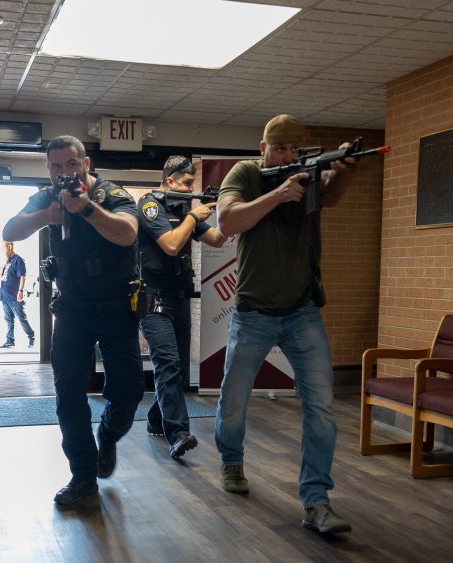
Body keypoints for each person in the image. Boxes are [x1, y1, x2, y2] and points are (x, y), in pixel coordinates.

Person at [214, 114, 359, 534]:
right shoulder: (245, 173)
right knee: (235, 399)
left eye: (294, 149)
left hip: (301, 311)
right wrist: (278, 194)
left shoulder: (306, 174)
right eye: (279, 149)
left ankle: (316, 501)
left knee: (322, 406)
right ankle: (231, 461)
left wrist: (343, 170)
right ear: (263, 148)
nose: (288, 156)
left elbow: (330, 194)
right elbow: (228, 222)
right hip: (253, 312)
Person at [2, 135, 144, 507]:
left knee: (129, 392)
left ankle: (109, 435)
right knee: (69, 396)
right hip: (73, 310)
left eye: (70, 164)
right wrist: (46, 216)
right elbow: (9, 231)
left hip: (116, 308)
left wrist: (85, 210)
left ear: (86, 163)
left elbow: (128, 233)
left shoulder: (112, 194)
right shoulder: (47, 197)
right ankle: (82, 475)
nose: (63, 172)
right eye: (55, 166)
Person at [137, 156, 226, 459]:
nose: (192, 189)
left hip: (179, 297)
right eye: (188, 183)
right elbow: (171, 245)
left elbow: (215, 238)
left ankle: (155, 420)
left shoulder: (183, 209)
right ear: (170, 180)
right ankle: (179, 434)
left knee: (178, 370)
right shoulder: (150, 206)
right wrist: (192, 217)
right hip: (153, 299)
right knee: (168, 365)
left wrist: (224, 211)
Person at [0, 241, 36, 349]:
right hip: (5, 296)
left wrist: (21, 291)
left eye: (3, 247)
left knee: (21, 318)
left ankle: (31, 337)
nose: (2, 249)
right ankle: (10, 340)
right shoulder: (8, 261)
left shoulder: (18, 260)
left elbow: (23, 276)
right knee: (8, 319)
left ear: (9, 246)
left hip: (14, 296)